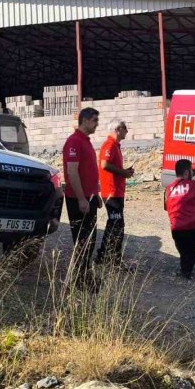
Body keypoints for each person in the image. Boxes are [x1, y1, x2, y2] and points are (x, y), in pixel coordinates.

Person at [63, 107, 102, 278]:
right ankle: (79, 278)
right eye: (94, 120)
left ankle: (85, 274)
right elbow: (72, 172)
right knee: (82, 240)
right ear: (85, 120)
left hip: (89, 198)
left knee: (90, 239)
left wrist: (96, 195)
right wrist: (81, 199)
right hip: (79, 200)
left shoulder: (86, 141)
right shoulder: (74, 142)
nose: (97, 124)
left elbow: (89, 171)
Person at [96, 119, 135, 268]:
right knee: (117, 225)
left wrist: (124, 172)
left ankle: (105, 256)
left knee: (114, 224)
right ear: (118, 129)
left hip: (116, 191)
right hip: (111, 192)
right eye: (125, 128)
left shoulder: (115, 146)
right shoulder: (110, 144)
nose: (127, 131)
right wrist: (123, 172)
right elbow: (104, 164)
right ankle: (112, 260)